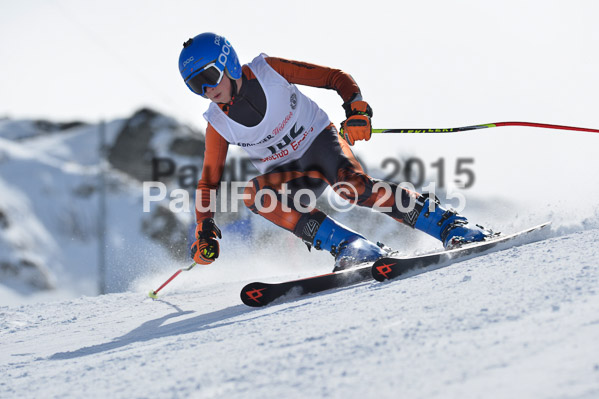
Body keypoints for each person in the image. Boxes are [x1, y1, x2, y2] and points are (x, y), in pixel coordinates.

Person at [179, 32, 491, 271]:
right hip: (291, 174)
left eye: (208, 77)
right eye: (196, 86)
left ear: (227, 62)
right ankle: (351, 246)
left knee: (352, 188)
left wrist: (356, 109)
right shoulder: (217, 123)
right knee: (256, 195)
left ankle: (450, 224)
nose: (207, 90)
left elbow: (334, 77)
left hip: (321, 143)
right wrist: (203, 227)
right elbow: (208, 182)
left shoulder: (268, 71)